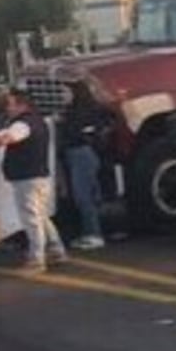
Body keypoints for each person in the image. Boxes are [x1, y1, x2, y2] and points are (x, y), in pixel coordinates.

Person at [0, 88, 67, 273]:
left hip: (26, 177)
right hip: (40, 175)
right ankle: (56, 249)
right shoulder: (37, 121)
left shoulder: (22, 125)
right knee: (41, 216)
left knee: (31, 219)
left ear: (21, 105)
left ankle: (36, 259)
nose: (7, 108)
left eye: (10, 104)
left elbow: (6, 138)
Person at [59, 82, 108, 251]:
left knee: (83, 196)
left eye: (67, 92)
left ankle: (94, 234)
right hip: (84, 154)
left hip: (80, 154)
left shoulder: (78, 114)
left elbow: (74, 133)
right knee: (86, 194)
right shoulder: (86, 111)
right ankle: (90, 232)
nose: (64, 96)